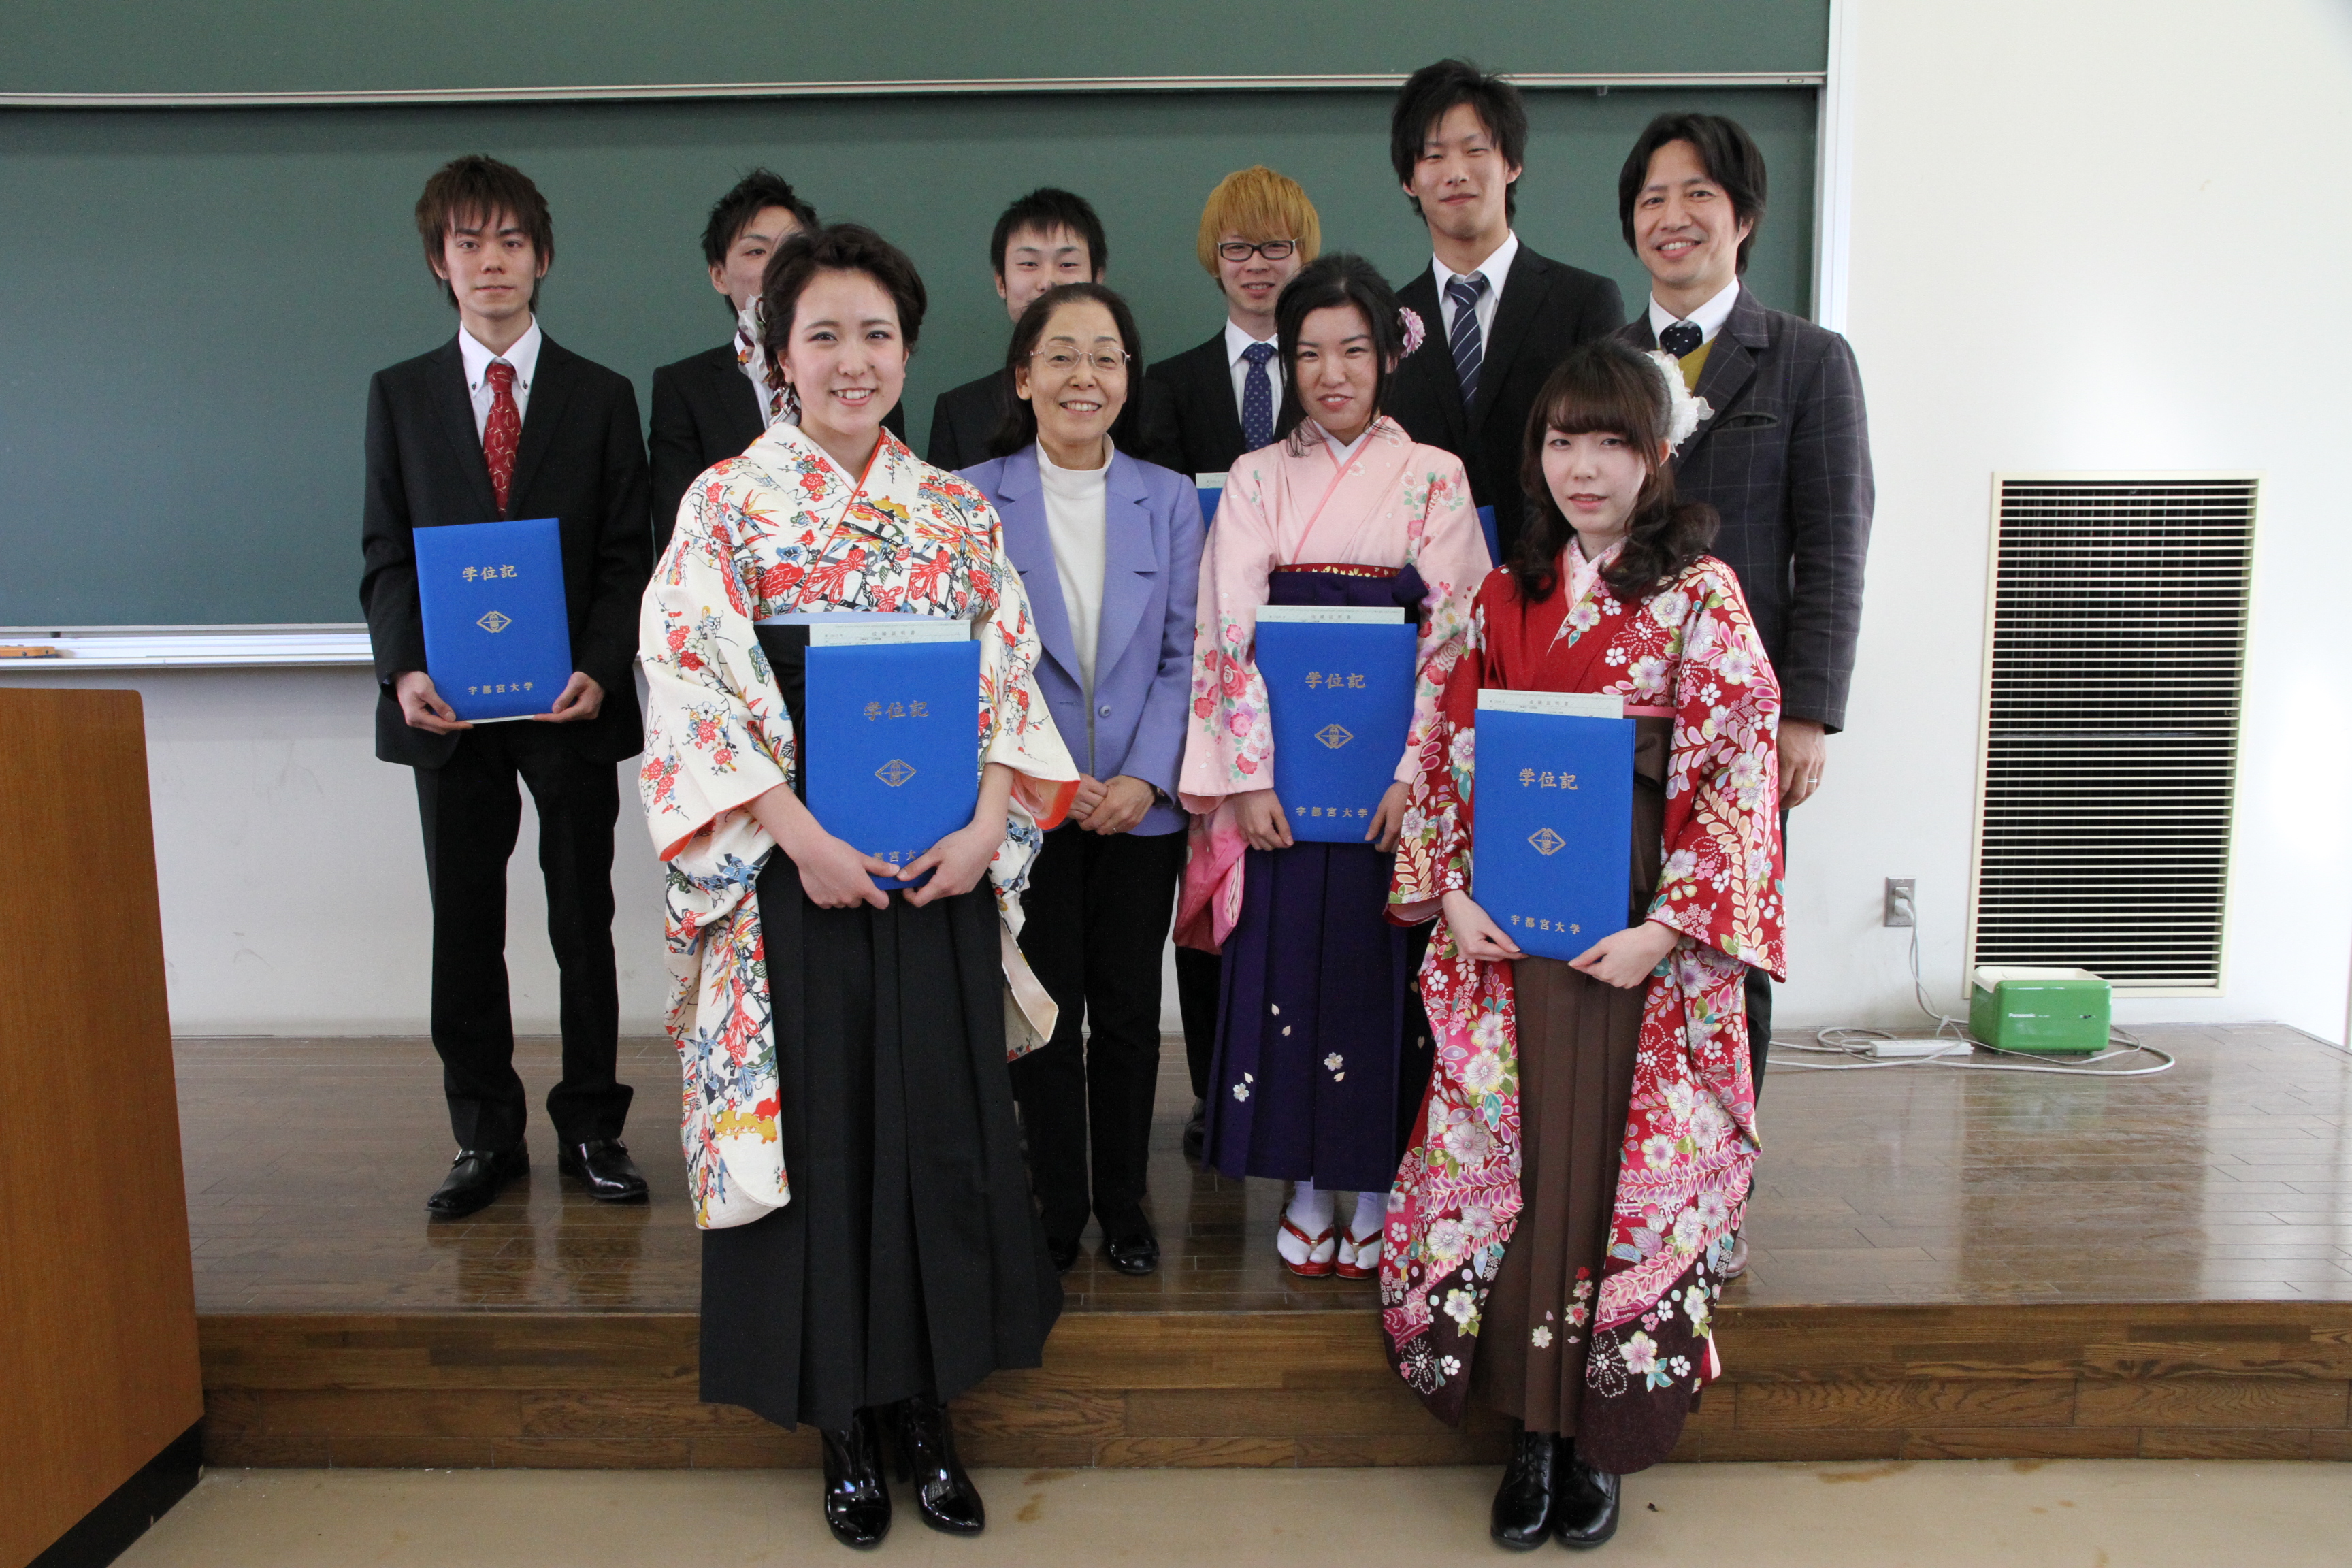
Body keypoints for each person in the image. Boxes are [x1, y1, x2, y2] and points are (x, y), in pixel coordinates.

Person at [638, 223, 1077, 1550]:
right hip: (796, 883)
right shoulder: (726, 504)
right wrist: (798, 832)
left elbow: (1011, 687)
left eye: (877, 333)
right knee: (825, 1136)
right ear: (779, 355)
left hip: (936, 872)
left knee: (934, 1131)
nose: (852, 358)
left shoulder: (954, 511)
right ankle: (844, 1416)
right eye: (822, 333)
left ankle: (928, 1409)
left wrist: (989, 817)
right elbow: (693, 688)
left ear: (909, 352)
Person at [1382, 338, 1784, 1548]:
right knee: (1531, 1163)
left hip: (1637, 928)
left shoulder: (1702, 594)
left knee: (1613, 1171)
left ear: (1657, 455)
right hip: (1511, 929)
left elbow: (1739, 766)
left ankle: (1598, 1433)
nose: (1584, 465)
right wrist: (1447, 891)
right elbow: (1447, 750)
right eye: (1563, 440)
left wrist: (1668, 926)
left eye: (1611, 439)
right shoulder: (1502, 594)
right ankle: (1530, 1431)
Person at [1179, 253, 1490, 1280]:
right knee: (1290, 982)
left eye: (1352, 349)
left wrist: (1414, 776)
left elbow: (1452, 637)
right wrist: (1253, 776)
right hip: (1286, 784)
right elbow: (1230, 626)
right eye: (1308, 352)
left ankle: (1382, 1183)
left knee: (1380, 982)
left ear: (1386, 357)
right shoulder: (1260, 476)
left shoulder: (1435, 474)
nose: (1331, 371)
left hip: (1390, 786)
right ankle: (1309, 1183)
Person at [359, 154, 651, 1220]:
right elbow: (385, 553)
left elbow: (630, 556)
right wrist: (405, 669)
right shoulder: (399, 396)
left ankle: (592, 1127)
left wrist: (600, 665)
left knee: (584, 921)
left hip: (569, 704)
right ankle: (484, 1135)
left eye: (512, 241)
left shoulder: (601, 395)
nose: (493, 262)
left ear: (544, 256)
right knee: (464, 926)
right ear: (440, 262)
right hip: (449, 715)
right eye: (470, 243)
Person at [1612, 112, 1873, 1273]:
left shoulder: (1809, 359)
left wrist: (1807, 711)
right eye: (1652, 197)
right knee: (1619, 946)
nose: (1672, 216)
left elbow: (1835, 540)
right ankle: (1620, 1178)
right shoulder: (1609, 362)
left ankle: (1717, 1205)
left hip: (1743, 724)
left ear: (1744, 216)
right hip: (1615, 719)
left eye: (1697, 195)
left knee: (1725, 956)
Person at [962, 282, 1203, 1279]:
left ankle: (1126, 1205)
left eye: (1106, 356)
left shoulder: (1172, 496)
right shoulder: (970, 496)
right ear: (1023, 378)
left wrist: (1144, 780)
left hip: (1140, 813)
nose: (1084, 376)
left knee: (1132, 1020)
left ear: (1127, 379)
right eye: (1061, 355)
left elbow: (1189, 656)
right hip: (1027, 811)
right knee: (1046, 1018)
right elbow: (972, 662)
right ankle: (1058, 1208)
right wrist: (1048, 782)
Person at [1144, 165, 1321, 1160]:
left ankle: (1290, 1087)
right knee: (1208, 891)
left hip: (1316, 680)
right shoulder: (1164, 383)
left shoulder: (1334, 374)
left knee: (1297, 890)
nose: (1258, 268)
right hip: (1207, 678)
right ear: (1213, 261)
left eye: (1277, 248)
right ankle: (1215, 1090)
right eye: (1239, 249)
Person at [1384, 59, 1624, 564]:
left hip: (1553, 586)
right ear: (1409, 178)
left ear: (1512, 164)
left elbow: (1610, 454)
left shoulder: (1584, 302)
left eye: (1476, 150)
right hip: (1419, 592)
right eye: (1433, 156)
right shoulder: (1383, 321)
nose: (1456, 173)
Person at [647, 169, 902, 552]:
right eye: (756, 251)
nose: (778, 266)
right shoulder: (685, 387)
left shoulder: (863, 380)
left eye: (791, 248)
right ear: (719, 274)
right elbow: (680, 530)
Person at [926, 187, 1178, 474]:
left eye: (1068, 264)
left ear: (1097, 278)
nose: (1048, 281)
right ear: (1000, 281)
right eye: (1029, 264)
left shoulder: (1151, 405)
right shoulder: (961, 411)